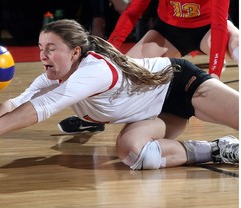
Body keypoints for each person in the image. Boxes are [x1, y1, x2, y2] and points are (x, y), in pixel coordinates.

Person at [0, 19, 239, 170]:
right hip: (159, 112)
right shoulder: (53, 76)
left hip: (183, 85)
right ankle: (218, 149)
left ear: (75, 52)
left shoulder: (93, 70)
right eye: (41, 48)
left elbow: (43, 106)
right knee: (132, 152)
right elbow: (15, 103)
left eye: (51, 48)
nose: (43, 55)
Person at [59, 0, 240, 134]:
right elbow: (132, 12)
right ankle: (96, 120)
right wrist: (109, 52)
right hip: (169, 31)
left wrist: (214, 73)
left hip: (208, 27)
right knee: (124, 74)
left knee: (237, 41)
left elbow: (218, 25)